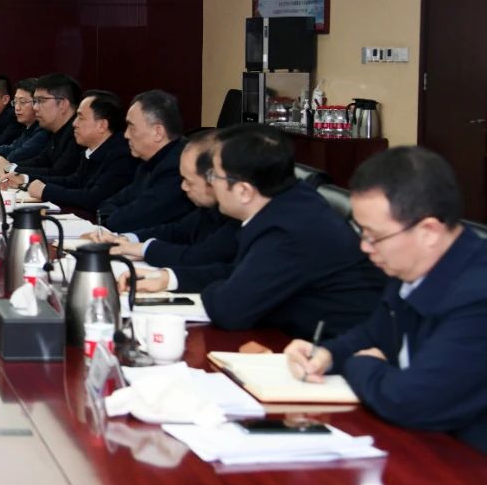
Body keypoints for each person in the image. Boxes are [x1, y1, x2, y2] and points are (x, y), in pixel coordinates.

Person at [285, 147, 487, 451]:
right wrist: (327, 354)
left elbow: (411, 401)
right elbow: (373, 334)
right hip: (427, 446)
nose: (365, 247)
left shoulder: (478, 297)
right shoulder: (411, 266)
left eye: (374, 236)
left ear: (429, 231)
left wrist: (360, 365)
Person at [129, 124, 385, 339]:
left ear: (244, 191)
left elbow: (230, 309)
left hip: (337, 354)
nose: (210, 184)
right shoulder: (288, 201)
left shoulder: (287, 229)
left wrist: (223, 289)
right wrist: (169, 279)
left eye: (214, 176)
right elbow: (241, 273)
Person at [107, 130, 239, 268]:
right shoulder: (207, 210)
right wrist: (125, 239)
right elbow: (177, 232)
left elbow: (201, 257)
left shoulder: (237, 218)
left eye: (189, 182)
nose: (183, 187)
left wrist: (144, 249)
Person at [95, 90, 194, 232]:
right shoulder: (148, 162)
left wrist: (110, 218)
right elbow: (109, 203)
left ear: (158, 132)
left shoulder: (177, 167)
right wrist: (109, 216)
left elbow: (128, 221)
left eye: (131, 127)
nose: (126, 135)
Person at [23, 89, 137, 213]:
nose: (74, 123)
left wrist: (46, 191)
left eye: (81, 118)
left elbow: (94, 198)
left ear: (102, 125)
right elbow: (73, 181)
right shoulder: (91, 151)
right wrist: (26, 179)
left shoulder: (122, 156)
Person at [0, 73, 84, 186]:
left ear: (62, 104)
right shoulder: (55, 131)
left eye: (40, 101)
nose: (35, 108)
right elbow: (41, 161)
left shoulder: (77, 134)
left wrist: (10, 169)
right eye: (34, 101)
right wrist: (11, 168)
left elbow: (60, 173)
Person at [0, 78, 48, 163]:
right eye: (15, 102)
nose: (17, 108)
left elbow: (16, 155)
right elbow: (12, 148)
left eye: (22, 102)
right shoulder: (29, 128)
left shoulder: (43, 130)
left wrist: (7, 166)